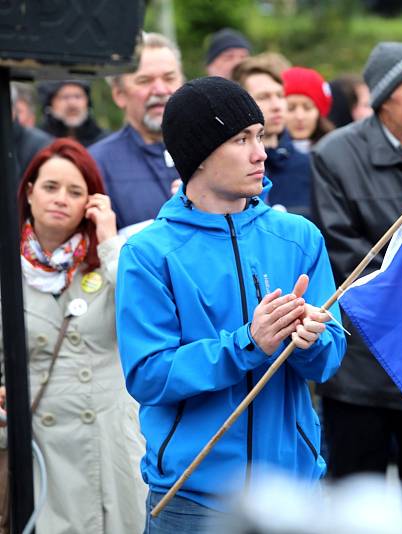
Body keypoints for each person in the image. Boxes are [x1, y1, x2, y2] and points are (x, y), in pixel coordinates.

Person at [115, 76, 345, 531]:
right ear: (198, 156)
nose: (260, 152)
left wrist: (310, 341)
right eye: (241, 139)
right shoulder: (148, 253)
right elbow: (148, 375)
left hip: (294, 495)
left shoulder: (299, 237)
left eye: (259, 136)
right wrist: (247, 344)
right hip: (193, 501)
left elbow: (329, 360)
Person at [311, 42, 402, 512]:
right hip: (360, 369)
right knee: (355, 511)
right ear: (384, 96)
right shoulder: (334, 156)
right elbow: (342, 254)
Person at [0, 138, 146, 533]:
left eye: (75, 191)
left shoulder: (112, 258)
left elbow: (143, 314)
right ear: (29, 192)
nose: (60, 199)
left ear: (92, 201)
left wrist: (110, 237)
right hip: (42, 450)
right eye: (50, 187)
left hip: (113, 441)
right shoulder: (6, 273)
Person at [89, 32, 183, 230]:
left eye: (169, 78)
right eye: (144, 80)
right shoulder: (97, 164)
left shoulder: (214, 151)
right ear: (119, 94)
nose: (159, 89)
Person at [234, 56, 314, 218]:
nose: (277, 106)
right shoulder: (229, 172)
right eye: (263, 97)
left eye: (280, 95)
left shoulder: (311, 166)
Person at [37, 80, 107, 146]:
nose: (72, 103)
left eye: (78, 96)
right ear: (50, 104)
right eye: (64, 97)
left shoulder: (103, 141)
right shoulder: (38, 142)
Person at [282, 67, 334, 152]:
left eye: (307, 108)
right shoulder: (262, 155)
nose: (299, 117)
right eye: (290, 108)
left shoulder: (335, 150)